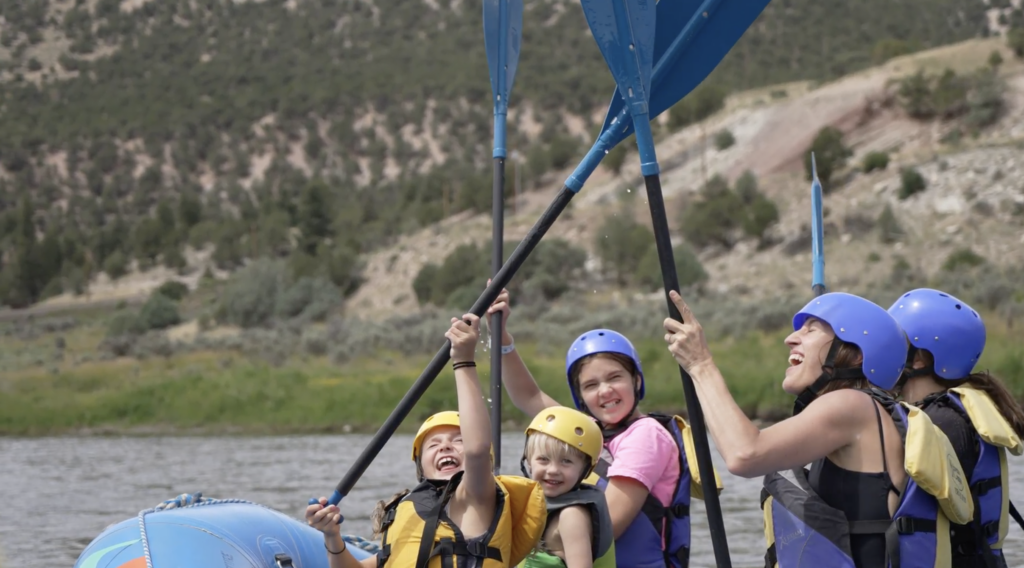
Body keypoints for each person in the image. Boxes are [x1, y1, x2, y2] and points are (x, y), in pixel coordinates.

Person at [661, 290, 973, 567]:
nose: (791, 338)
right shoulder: (873, 410)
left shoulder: (851, 405)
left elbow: (745, 454)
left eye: (811, 330)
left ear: (854, 353)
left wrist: (701, 364)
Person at [489, 288, 719, 568]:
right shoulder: (585, 432)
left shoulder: (647, 436)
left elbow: (605, 528)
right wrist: (502, 339)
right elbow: (529, 397)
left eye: (615, 377)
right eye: (591, 385)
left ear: (636, 380)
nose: (605, 391)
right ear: (580, 397)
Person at [306, 314, 546, 568]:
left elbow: (477, 450)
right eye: (434, 444)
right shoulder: (408, 518)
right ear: (421, 468)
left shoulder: (475, 498)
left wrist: (463, 360)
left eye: (458, 440)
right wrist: (332, 537)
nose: (445, 446)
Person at [889, 288, 1024, 567]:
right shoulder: (946, 414)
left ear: (920, 359)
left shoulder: (943, 423)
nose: (881, 352)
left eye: (892, 343)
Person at [520, 405, 615, 568]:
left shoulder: (571, 517)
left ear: (585, 469)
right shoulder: (532, 504)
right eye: (543, 459)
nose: (553, 470)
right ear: (529, 462)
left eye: (566, 461)